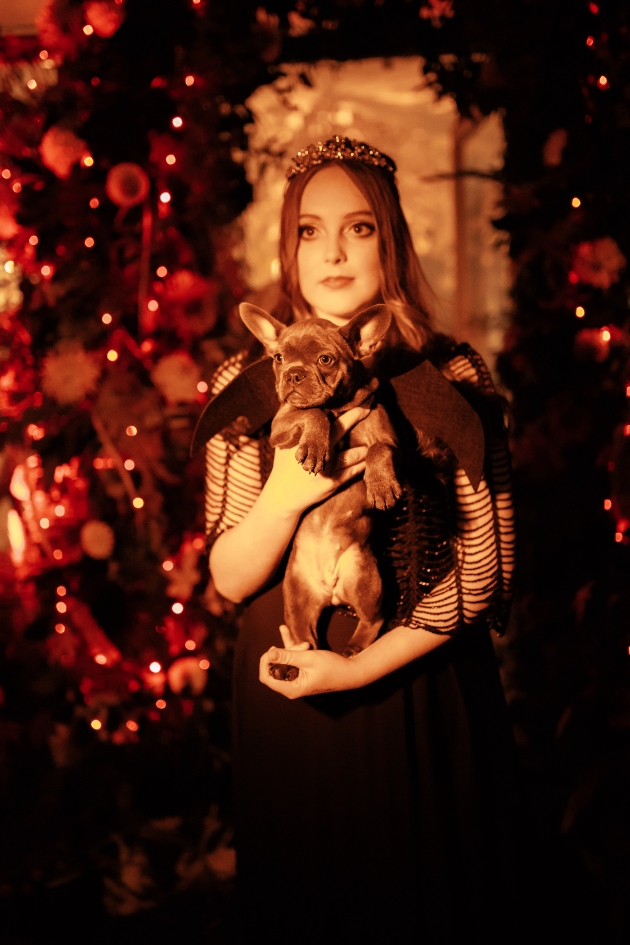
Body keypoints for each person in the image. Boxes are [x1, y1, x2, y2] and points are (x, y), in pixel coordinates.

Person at [205, 138, 518, 944]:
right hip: (288, 686)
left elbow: (486, 571)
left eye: (359, 228)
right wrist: (286, 495)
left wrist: (358, 667)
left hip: (416, 685)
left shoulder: (452, 377)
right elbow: (230, 576)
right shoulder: (244, 383)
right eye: (310, 230)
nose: (334, 251)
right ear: (288, 245)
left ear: (392, 238)